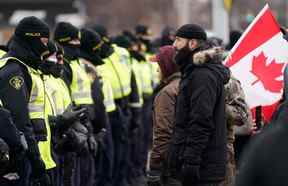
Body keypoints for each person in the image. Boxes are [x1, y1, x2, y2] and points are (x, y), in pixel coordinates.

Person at [167, 24, 230, 186]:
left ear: (192, 43)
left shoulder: (202, 75)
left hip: (203, 165)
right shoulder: (193, 71)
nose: (174, 45)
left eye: (179, 40)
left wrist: (191, 161)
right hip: (200, 161)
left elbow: (201, 121)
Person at [0, 16, 52, 186]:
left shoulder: (26, 68)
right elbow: (21, 121)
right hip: (19, 158)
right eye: (43, 41)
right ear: (31, 39)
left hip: (29, 152)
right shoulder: (14, 71)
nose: (46, 47)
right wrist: (37, 164)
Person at [147, 45, 181, 186]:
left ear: (167, 66)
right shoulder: (187, 84)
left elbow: (163, 133)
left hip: (170, 163)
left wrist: (154, 167)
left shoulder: (167, 93)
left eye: (159, 65)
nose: (156, 70)